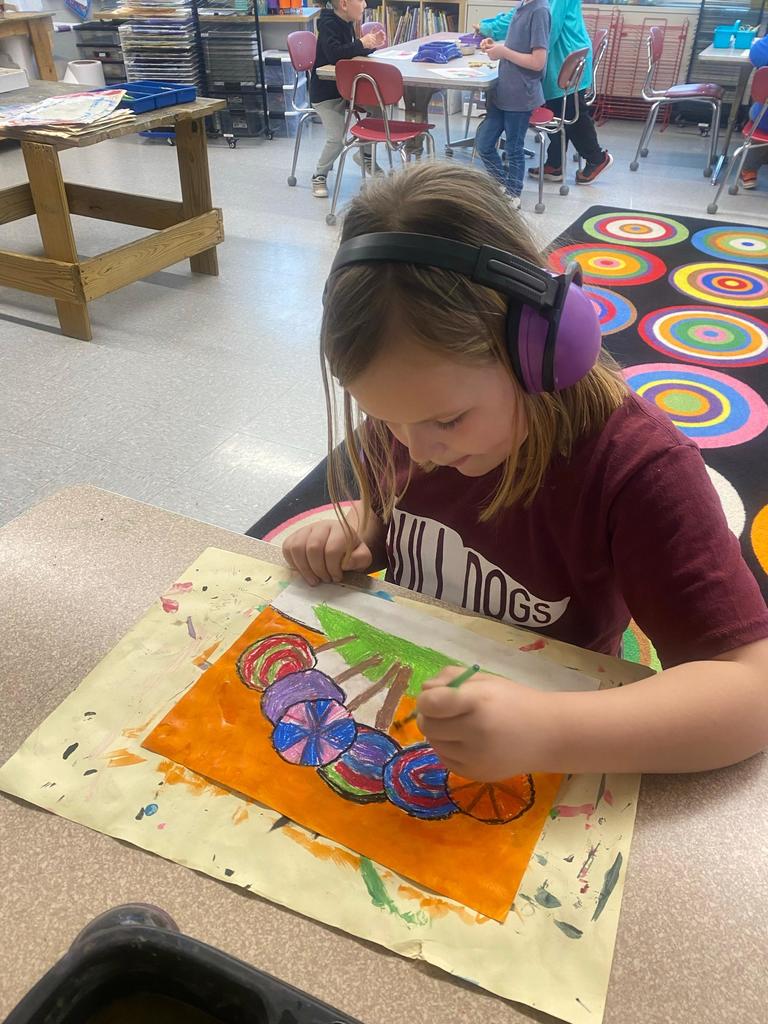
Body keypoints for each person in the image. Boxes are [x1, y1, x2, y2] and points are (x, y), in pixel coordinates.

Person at [283, 161, 768, 780]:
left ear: (543, 347)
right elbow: (395, 522)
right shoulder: (413, 413)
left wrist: (552, 731)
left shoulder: (639, 468)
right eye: (387, 419)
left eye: (449, 421)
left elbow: (748, 693)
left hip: (550, 721)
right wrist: (357, 529)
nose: (418, 449)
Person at [479, 0, 612, 184]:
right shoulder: (533, 4)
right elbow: (517, 16)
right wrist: (489, 28)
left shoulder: (545, 6)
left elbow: (548, 31)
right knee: (555, 110)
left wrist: (509, 51)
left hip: (565, 59)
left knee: (571, 115)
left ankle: (597, 158)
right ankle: (555, 164)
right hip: (554, 62)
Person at [474, 0, 551, 208]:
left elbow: (538, 62)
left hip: (520, 96)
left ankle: (513, 194)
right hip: (503, 91)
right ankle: (501, 186)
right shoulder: (522, 6)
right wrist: (496, 45)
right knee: (484, 143)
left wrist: (503, 52)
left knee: (514, 148)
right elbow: (518, 44)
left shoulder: (540, 10)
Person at [309, 0, 386, 198]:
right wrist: (362, 43)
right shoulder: (328, 24)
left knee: (377, 109)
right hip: (326, 94)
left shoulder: (347, 22)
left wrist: (370, 46)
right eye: (360, 0)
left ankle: (365, 155)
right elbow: (335, 55)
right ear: (344, 4)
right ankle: (319, 175)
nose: (365, 4)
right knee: (337, 139)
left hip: (347, 90)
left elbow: (350, 52)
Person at [738, 33, 768, 190]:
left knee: (761, 118)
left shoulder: (764, 47)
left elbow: (755, 55)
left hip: (764, 120)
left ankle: (749, 170)